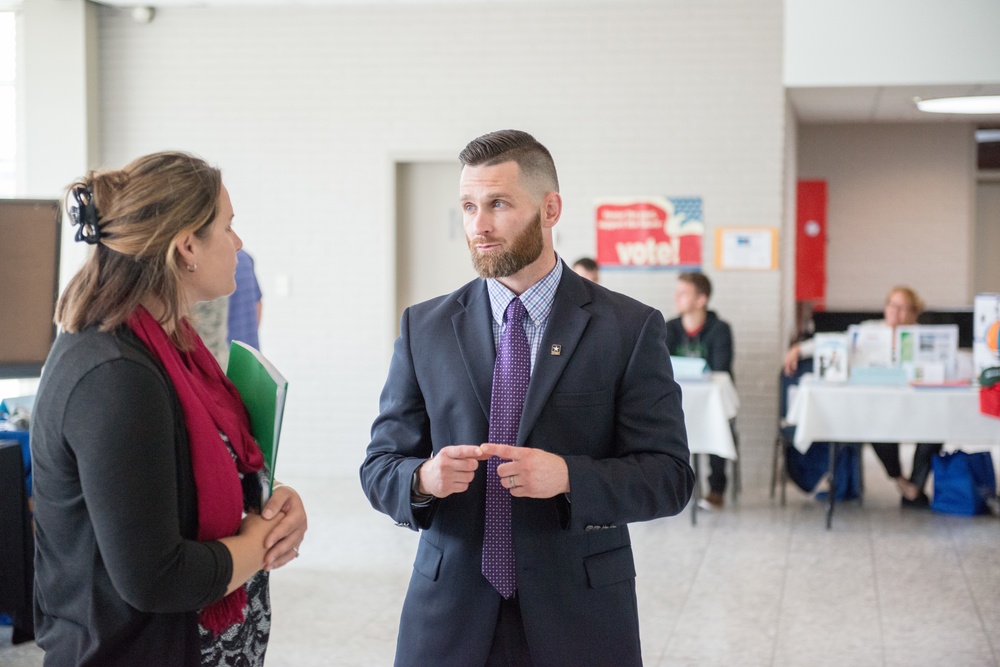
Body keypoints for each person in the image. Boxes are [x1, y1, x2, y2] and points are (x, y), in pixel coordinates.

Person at [360, 130, 693, 666]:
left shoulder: (629, 328)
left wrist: (568, 477)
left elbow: (671, 476)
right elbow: (379, 467)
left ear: (550, 208)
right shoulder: (425, 327)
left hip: (581, 615)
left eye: (498, 204)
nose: (479, 225)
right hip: (449, 613)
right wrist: (422, 480)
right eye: (468, 206)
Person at [30, 151, 308, 666]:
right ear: (186, 248)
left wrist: (271, 505)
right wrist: (260, 540)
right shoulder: (117, 378)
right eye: (228, 226)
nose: (239, 243)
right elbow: (154, 577)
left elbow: (189, 482)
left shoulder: (170, 344)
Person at [783, 285, 941, 506]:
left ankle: (915, 485)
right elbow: (835, 342)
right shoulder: (869, 331)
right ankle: (901, 480)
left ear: (914, 312)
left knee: (935, 427)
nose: (896, 312)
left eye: (903, 307)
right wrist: (798, 349)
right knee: (876, 427)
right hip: (879, 406)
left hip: (917, 404)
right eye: (892, 305)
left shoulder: (924, 338)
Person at [665, 272, 734, 510]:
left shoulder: (720, 329)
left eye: (683, 293)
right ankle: (672, 488)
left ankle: (716, 489)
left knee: (717, 422)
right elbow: (661, 368)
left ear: (701, 299)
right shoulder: (668, 328)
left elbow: (720, 369)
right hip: (679, 401)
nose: (677, 298)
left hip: (709, 401)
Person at [228, 249, 263, 349]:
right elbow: (258, 304)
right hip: (250, 353)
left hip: (225, 357)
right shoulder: (245, 258)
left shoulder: (211, 262)